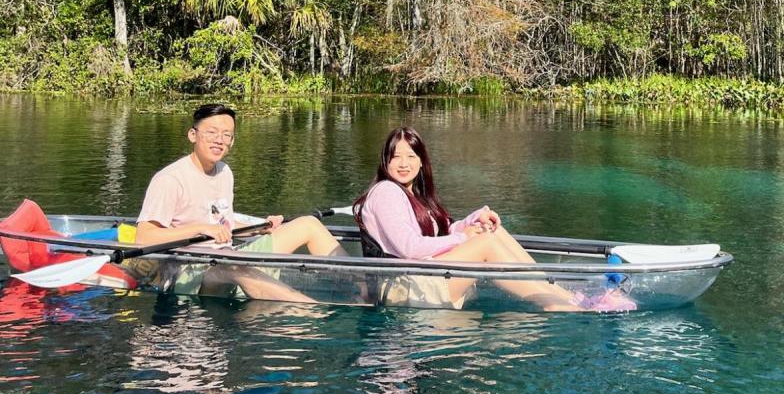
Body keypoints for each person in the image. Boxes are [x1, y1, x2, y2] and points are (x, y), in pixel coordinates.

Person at [355, 127, 635, 312]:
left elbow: (439, 233)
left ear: (421, 160)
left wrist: (472, 222)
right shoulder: (386, 192)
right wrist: (466, 238)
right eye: (396, 157)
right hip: (403, 287)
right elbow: (409, 248)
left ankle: (565, 296)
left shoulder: (414, 194)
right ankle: (555, 302)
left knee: (493, 233)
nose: (403, 163)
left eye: (411, 156)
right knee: (485, 244)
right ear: (385, 161)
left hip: (423, 276)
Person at [126, 103, 346, 302]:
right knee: (233, 264)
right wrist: (201, 229)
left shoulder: (224, 172)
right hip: (190, 272)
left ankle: (364, 287)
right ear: (193, 135)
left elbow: (224, 224)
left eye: (227, 135)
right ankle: (311, 312)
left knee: (307, 224)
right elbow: (144, 237)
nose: (219, 140)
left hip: (228, 255)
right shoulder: (170, 179)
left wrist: (260, 228)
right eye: (211, 132)